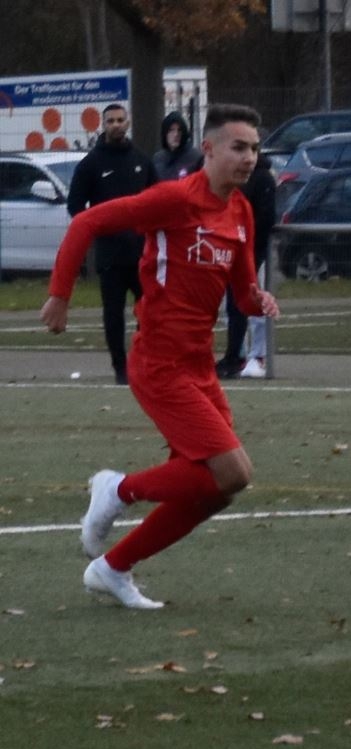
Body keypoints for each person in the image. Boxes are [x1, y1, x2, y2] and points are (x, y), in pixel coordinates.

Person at [40, 104, 280, 609]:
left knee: (215, 491)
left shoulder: (240, 211)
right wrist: (60, 294)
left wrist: (258, 300)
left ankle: (112, 568)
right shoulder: (175, 200)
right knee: (234, 472)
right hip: (159, 364)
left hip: (199, 367)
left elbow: (241, 294)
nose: (249, 158)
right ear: (208, 149)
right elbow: (87, 223)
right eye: (238, 147)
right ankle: (117, 489)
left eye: (255, 149)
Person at [66, 103, 158, 384]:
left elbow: (158, 199)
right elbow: (75, 206)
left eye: (120, 120)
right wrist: (98, 227)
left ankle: (146, 362)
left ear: (127, 123)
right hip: (110, 255)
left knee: (150, 311)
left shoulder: (141, 160)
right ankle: (121, 368)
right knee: (113, 314)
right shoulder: (91, 164)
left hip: (141, 254)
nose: (116, 125)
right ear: (103, 125)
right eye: (111, 121)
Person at [215, 153, 277, 379]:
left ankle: (258, 355)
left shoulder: (262, 178)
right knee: (232, 305)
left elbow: (266, 218)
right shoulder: (230, 177)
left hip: (252, 251)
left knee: (253, 301)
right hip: (230, 249)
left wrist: (247, 243)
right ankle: (236, 354)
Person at [152, 111, 203, 182]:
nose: (176, 134)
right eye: (171, 130)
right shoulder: (158, 159)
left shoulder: (196, 158)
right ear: (165, 133)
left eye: (179, 130)